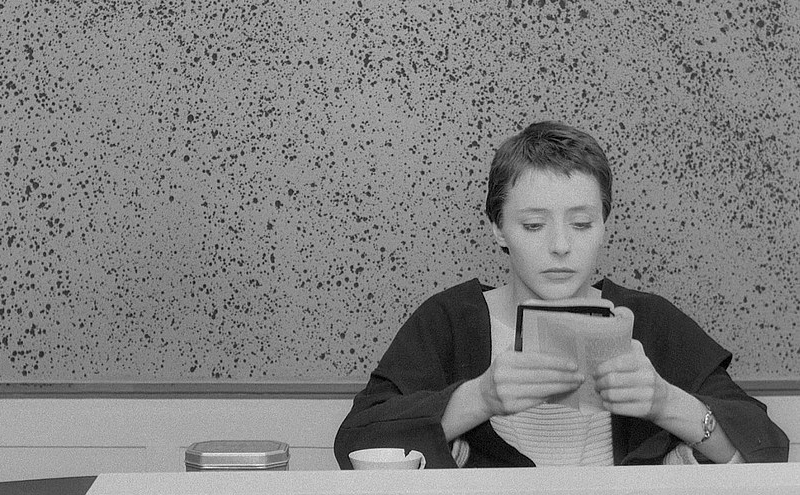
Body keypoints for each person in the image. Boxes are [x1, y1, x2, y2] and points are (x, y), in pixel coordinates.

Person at [333, 121, 789, 468]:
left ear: (605, 224)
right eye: (534, 225)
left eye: (582, 223)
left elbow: (767, 450)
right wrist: (479, 398)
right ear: (498, 228)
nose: (560, 246)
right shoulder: (450, 321)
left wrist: (666, 403)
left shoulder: (651, 321)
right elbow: (355, 441)